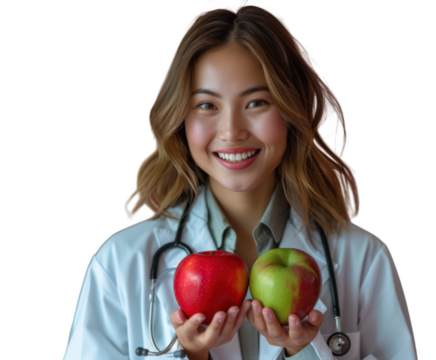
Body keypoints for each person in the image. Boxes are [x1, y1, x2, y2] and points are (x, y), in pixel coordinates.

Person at [63, 2, 417, 360]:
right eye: (207, 105)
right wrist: (189, 356)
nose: (232, 131)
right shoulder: (120, 262)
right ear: (180, 119)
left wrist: (303, 352)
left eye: (257, 102)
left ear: (292, 112)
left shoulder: (364, 259)